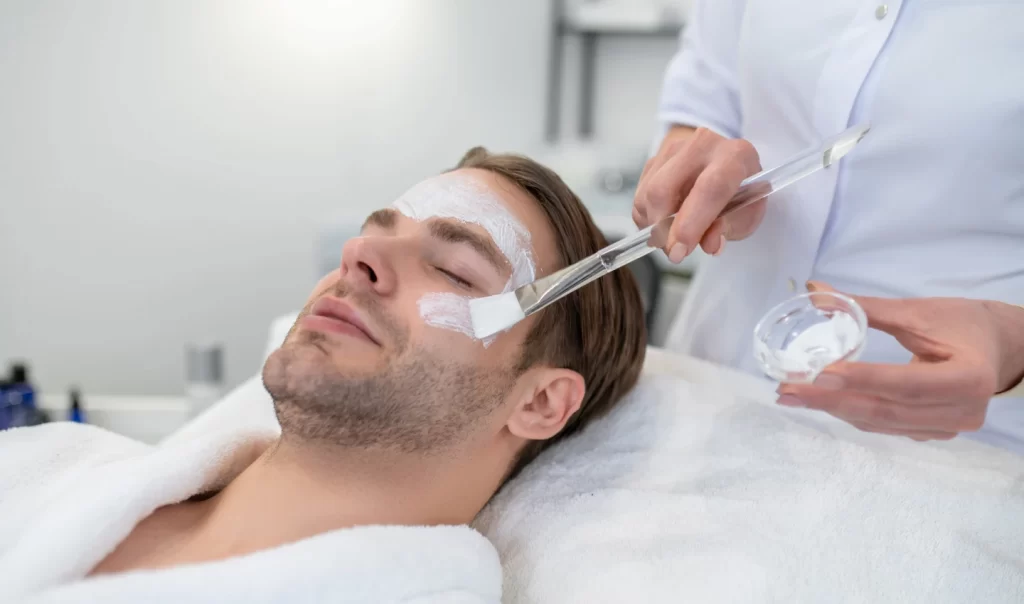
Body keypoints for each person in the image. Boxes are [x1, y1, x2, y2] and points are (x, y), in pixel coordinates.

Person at [0, 148, 647, 603]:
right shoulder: (45, 468)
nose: (358, 254)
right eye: (374, 233)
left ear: (539, 402)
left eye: (454, 269)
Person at [633, 0, 1024, 450]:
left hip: (956, 446)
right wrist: (695, 178)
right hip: (714, 385)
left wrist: (1013, 345)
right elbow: (701, 104)